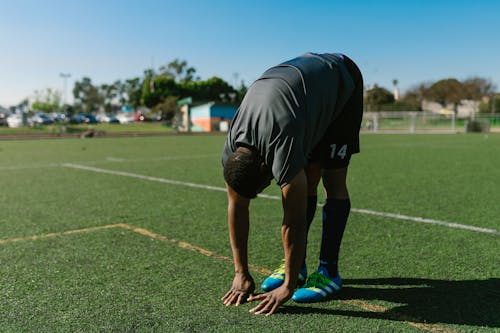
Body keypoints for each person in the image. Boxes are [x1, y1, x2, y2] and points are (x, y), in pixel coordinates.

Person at [221, 52, 363, 316]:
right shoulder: (232, 151)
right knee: (306, 181)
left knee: (333, 181)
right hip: (301, 99)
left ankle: (328, 272)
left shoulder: (280, 143)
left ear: (267, 167)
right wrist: (240, 272)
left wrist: (286, 287)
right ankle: (297, 267)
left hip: (341, 80)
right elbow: (236, 206)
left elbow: (292, 221)